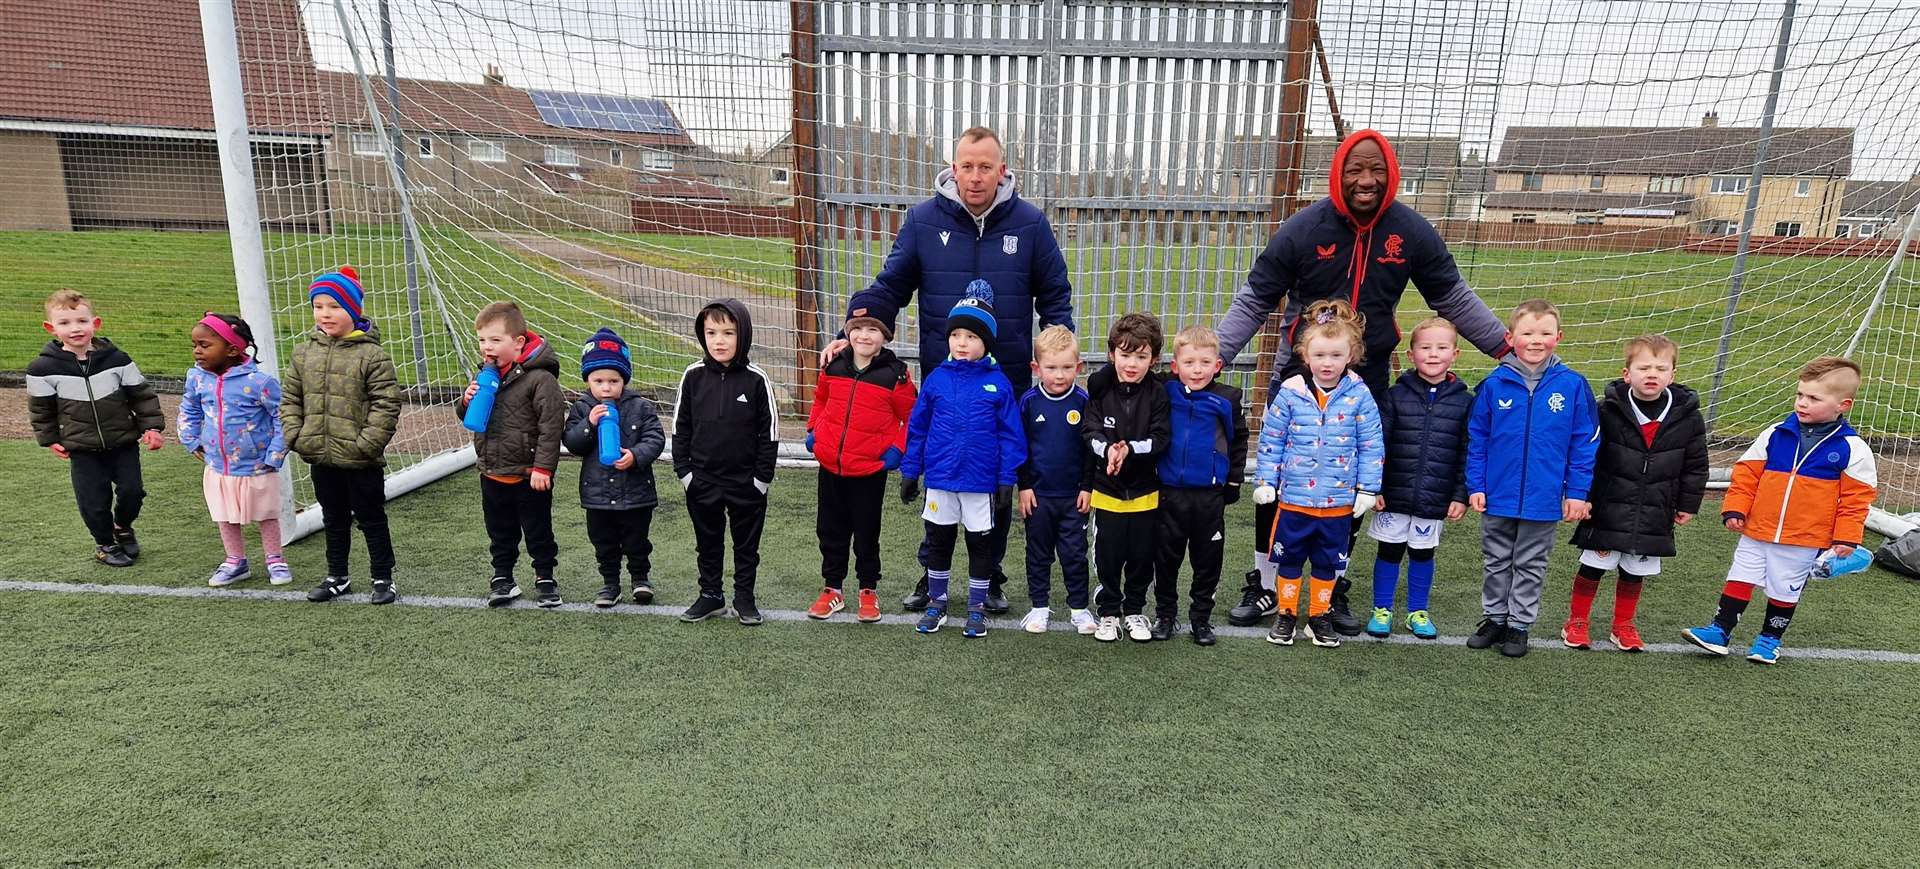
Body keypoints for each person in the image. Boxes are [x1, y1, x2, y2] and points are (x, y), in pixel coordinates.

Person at [1215, 128, 1511, 636]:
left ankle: (1333, 589)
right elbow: (1255, 298)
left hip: (1367, 382)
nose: (1366, 180)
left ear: (1392, 174)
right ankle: (1266, 585)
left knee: (1349, 487)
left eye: (1377, 170)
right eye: (1356, 170)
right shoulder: (1303, 228)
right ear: (1338, 174)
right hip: (1299, 375)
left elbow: (1453, 297)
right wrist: (1216, 355)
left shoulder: (1411, 232)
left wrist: (1507, 349)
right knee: (1282, 480)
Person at [824, 126, 1075, 613]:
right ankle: (930, 573)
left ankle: (992, 575)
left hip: (1005, 385)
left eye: (985, 167)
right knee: (939, 479)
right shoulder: (922, 222)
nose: (975, 177)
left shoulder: (1030, 223)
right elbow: (890, 286)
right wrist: (853, 326)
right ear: (952, 168)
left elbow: (1055, 296)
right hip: (945, 383)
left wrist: (1057, 350)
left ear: (1003, 170)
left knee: (997, 479)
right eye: (966, 166)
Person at [1683, 357, 1877, 665]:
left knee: (1783, 590)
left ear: (1844, 404)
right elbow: (1746, 473)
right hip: (1758, 528)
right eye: (1800, 395)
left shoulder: (1854, 448)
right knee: (1739, 577)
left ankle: (1768, 641)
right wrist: (1736, 508)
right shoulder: (1774, 433)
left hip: (1804, 538)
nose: (1802, 403)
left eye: (1814, 398)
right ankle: (1719, 631)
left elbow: (1857, 500)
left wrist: (1846, 537)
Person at [1465, 299, 1599, 658]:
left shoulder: (1572, 386)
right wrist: (1476, 485)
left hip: (1544, 497)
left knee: (1530, 563)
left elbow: (1584, 444)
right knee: (1496, 559)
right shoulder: (1494, 384)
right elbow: (1477, 439)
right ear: (1510, 337)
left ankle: (1519, 625)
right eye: (1527, 333)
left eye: (1544, 333)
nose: (1535, 340)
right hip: (1497, 494)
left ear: (1559, 337)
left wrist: (1577, 493)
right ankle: (1494, 618)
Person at [1251, 300, 1384, 649]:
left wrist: (1368, 489)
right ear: (1305, 354)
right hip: (1294, 499)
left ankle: (1319, 615)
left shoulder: (1359, 395)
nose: (1328, 363)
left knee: (1327, 562)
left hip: (1338, 502)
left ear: (1351, 355)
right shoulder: (1290, 393)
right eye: (1320, 355)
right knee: (1290, 558)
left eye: (1336, 355)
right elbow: (1271, 439)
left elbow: (1372, 444)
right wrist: (1265, 481)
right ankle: (1287, 613)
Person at [1562, 334, 1707, 652]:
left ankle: (1623, 625)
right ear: (1627, 374)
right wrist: (1581, 495)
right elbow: (1587, 456)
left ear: (1673, 374)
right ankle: (1576, 621)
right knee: (1593, 567)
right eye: (1643, 367)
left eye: (1660, 367)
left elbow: (1696, 464)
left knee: (1634, 571)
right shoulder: (1606, 410)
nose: (1652, 374)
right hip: (1607, 506)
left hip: (1655, 508)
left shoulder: (1687, 416)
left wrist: (1688, 503)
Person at [900, 282, 1027, 639]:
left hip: (979, 483)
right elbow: (919, 428)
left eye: (970, 336)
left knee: (979, 545)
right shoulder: (937, 379)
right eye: (955, 334)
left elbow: (1010, 437)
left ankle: (976, 606)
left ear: (986, 342)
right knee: (939, 542)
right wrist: (912, 470)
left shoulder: (998, 385)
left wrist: (1006, 479)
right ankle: (937, 602)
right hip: (941, 480)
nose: (960, 342)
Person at [287, 268, 403, 605]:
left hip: (360, 458)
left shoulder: (373, 356)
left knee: (371, 518)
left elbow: (387, 403)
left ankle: (383, 577)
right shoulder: (303, 353)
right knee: (332, 517)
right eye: (319, 306)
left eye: (334, 306)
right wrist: (296, 434)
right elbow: (290, 398)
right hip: (321, 455)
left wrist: (366, 443)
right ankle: (337, 575)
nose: (325, 313)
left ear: (353, 310)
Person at [27, 289, 164, 568]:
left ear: (95, 323)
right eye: (65, 323)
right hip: (81, 448)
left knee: (132, 492)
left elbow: (142, 395)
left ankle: (122, 526)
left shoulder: (118, 359)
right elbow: (41, 410)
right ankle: (105, 544)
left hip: (123, 442)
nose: (75, 329)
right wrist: (50, 438)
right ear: (50, 328)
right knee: (94, 500)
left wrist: (152, 427)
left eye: (81, 321)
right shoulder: (42, 369)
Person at [804, 309, 916, 623]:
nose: (864, 336)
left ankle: (868, 589)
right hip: (831, 466)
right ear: (848, 331)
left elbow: (913, 418)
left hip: (869, 469)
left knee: (866, 532)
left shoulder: (896, 375)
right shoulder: (834, 364)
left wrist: (898, 449)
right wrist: (815, 431)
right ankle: (832, 589)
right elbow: (821, 399)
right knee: (829, 529)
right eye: (858, 328)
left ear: (886, 336)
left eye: (873, 329)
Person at [1364, 317, 1473, 640]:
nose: (1433, 354)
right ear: (1411, 355)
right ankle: (1381, 610)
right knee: (1389, 551)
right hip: (1394, 493)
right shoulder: (1395, 395)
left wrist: (1460, 494)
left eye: (1441, 348)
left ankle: (1417, 612)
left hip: (1434, 496)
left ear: (1455, 354)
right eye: (1425, 347)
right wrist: (1376, 487)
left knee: (1423, 553)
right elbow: (1378, 442)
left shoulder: (1465, 402)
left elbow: (1468, 451)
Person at [674, 299, 779, 626]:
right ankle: (710, 595)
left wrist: (760, 480)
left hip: (745, 483)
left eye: (728, 332)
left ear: (743, 335)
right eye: (711, 332)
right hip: (702, 480)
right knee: (707, 542)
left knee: (746, 545)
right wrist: (686, 474)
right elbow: (680, 428)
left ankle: (744, 597)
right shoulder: (692, 376)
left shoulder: (756, 379)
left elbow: (770, 433)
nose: (719, 340)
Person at [455, 302, 566, 609]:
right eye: (481, 340)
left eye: (494, 340)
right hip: (492, 471)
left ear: (518, 343)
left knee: (537, 530)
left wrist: (544, 467)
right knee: (500, 531)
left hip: (529, 475)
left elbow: (551, 427)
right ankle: (502, 578)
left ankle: (545, 578)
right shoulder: (484, 375)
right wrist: (465, 402)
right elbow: (470, 418)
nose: (486, 347)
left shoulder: (540, 379)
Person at [1152, 325, 1248, 647]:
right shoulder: (1165, 389)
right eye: (1190, 362)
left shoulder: (1227, 400)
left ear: (1217, 365)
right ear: (1175, 366)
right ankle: (1165, 614)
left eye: (1205, 362)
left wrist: (1233, 480)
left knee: (1207, 560)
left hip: (1208, 497)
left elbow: (1239, 442)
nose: (1197, 370)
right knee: (1166, 557)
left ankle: (1201, 618)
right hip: (1169, 493)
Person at [179, 313, 289, 588]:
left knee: (266, 512)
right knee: (224, 512)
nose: (197, 351)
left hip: (258, 465)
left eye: (204, 345)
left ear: (232, 349)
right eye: (194, 344)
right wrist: (190, 438)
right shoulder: (197, 378)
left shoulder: (260, 382)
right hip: (218, 464)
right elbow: (189, 409)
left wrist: (275, 453)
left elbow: (283, 417)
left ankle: (275, 559)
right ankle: (236, 561)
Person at [1084, 312, 1173, 644]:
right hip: (1106, 491)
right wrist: (1109, 451)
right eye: (1124, 354)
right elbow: (1089, 432)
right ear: (1111, 355)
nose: (1132, 363)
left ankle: (1135, 610)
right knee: (1108, 555)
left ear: (1154, 358)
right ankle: (1108, 612)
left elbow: (1161, 438)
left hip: (1145, 493)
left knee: (1140, 556)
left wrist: (1129, 450)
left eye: (1141, 356)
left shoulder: (1159, 394)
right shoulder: (1100, 389)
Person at [562, 328, 666, 608]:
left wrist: (635, 455)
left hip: (635, 494)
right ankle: (610, 584)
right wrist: (589, 425)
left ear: (624, 380)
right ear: (588, 381)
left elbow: (655, 438)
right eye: (598, 381)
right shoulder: (582, 408)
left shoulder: (640, 407)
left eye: (613, 380)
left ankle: (640, 579)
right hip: (597, 496)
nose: (606, 387)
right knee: (604, 543)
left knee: (637, 540)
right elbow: (572, 442)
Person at [1017, 325, 1096, 635]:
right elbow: (1019, 447)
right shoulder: (1028, 402)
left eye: (1066, 368)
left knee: (1074, 554)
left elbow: (1091, 451)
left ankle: (1079, 608)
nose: (1060, 375)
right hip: (1038, 495)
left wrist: (1088, 487)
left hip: (1073, 496)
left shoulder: (1083, 402)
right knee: (1038, 552)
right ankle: (1039, 607)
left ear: (1078, 367)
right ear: (1036, 368)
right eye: (1051, 368)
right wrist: (1023, 486)